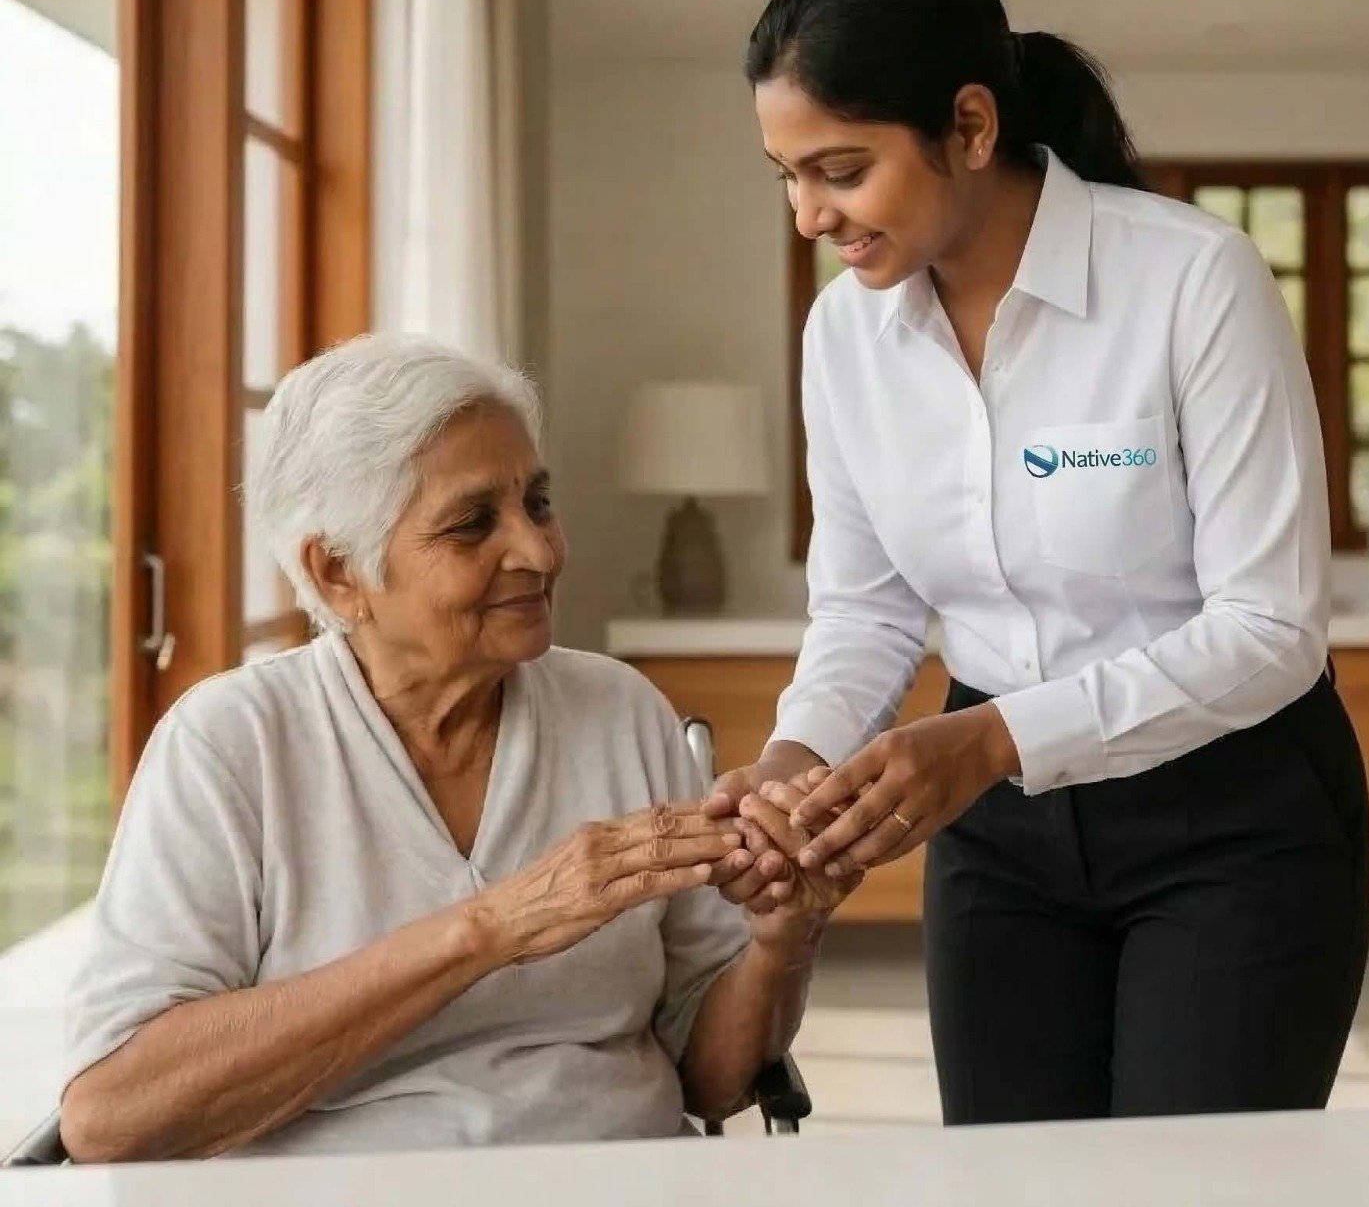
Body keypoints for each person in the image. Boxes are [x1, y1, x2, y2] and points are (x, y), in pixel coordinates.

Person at [710, 0, 1369, 1123]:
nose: (810, 213)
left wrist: (994, 740)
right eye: (786, 176)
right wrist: (793, 760)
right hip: (997, 834)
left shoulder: (1190, 280)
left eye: (842, 170)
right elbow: (865, 607)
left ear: (968, 127)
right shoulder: (843, 339)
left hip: (1231, 817)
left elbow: (1273, 627)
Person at [60, 334, 855, 1161]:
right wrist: (492, 926)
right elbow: (112, 1115)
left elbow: (712, 1078)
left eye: (538, 505)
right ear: (338, 573)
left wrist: (781, 939)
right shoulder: (231, 745)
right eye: (474, 525)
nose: (539, 551)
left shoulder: (619, 711)